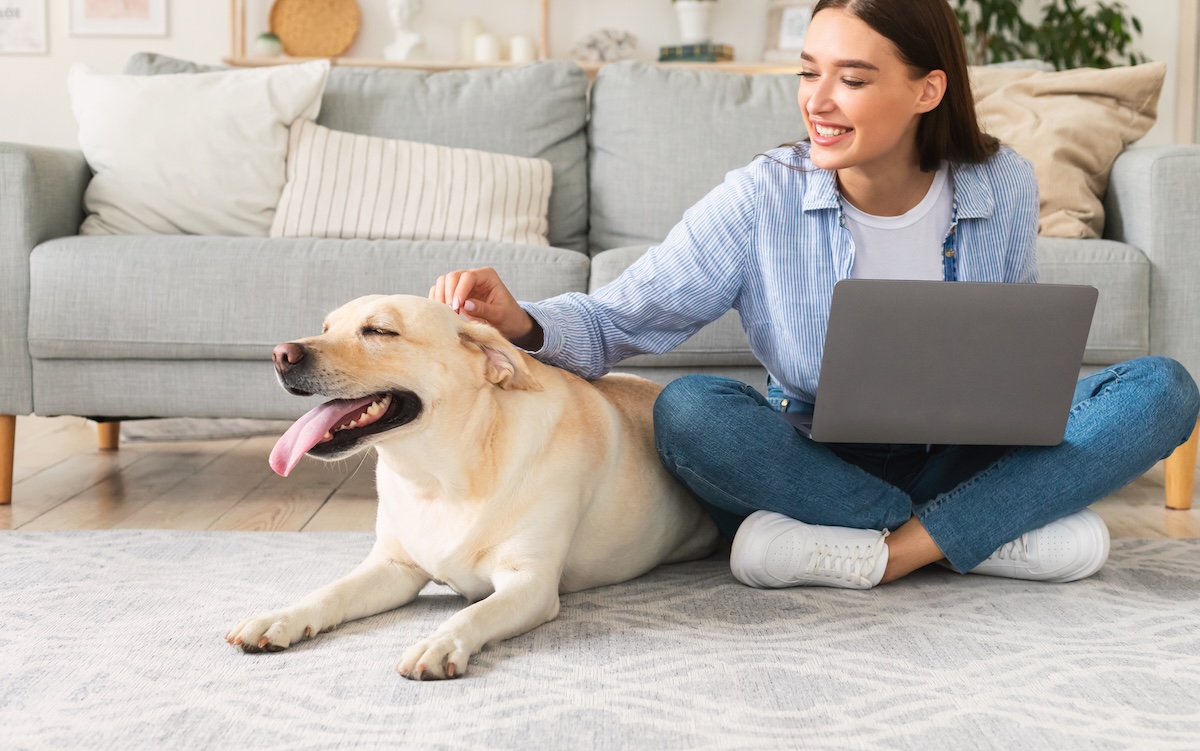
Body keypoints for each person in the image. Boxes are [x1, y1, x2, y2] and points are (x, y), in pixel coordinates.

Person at [430, 0, 1200, 591]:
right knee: (689, 409)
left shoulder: (1002, 183)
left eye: (852, 79)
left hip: (965, 455)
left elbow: (1010, 350)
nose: (818, 101)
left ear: (928, 89)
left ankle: (889, 550)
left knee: (1162, 388)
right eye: (810, 72)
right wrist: (520, 320)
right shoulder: (760, 197)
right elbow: (619, 319)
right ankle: (981, 532)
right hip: (814, 465)